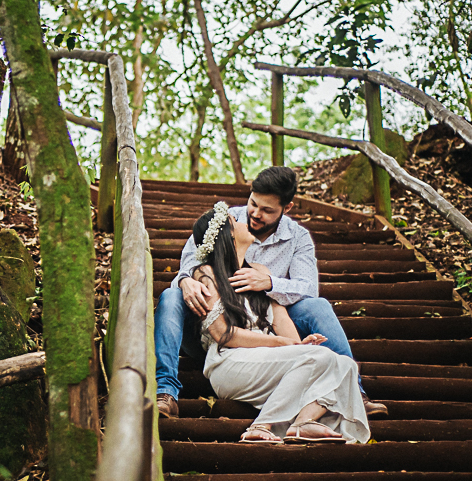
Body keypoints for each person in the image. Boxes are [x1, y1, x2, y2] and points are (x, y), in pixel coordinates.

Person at [154, 166, 388, 419]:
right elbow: (193, 261)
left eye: (267, 210)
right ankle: (166, 391)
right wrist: (185, 280)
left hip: (266, 325)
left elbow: (307, 288)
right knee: (171, 295)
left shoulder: (298, 237)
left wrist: (270, 283)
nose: (255, 214)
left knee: (318, 306)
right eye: (253, 203)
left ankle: (355, 392)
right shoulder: (225, 221)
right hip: (213, 329)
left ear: (287, 208)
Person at [189, 205, 370, 443]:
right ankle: (260, 426)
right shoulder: (206, 274)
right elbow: (223, 333)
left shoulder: (260, 271)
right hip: (230, 361)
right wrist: (282, 344)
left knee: (345, 365)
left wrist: (299, 346)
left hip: (267, 359)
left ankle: (303, 422)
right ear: (228, 235)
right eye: (236, 220)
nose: (245, 221)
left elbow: (280, 317)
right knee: (322, 358)